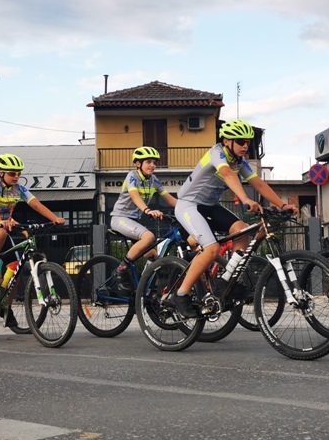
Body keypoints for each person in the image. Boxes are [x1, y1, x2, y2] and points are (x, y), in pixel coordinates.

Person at [171, 119, 296, 318]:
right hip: (189, 205)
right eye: (240, 141)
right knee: (212, 249)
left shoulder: (240, 162)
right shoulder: (217, 153)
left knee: (242, 231)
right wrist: (245, 198)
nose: (245, 146)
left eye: (248, 142)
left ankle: (226, 281)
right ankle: (180, 294)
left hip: (210, 206)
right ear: (227, 141)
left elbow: (258, 184)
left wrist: (282, 205)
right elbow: (227, 174)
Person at [0, 154, 66, 291]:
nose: (16, 176)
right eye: (12, 173)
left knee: (15, 271)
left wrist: (54, 218)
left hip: (1, 227)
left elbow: (36, 204)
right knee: (1, 232)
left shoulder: (19, 188)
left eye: (19, 173)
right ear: (1, 173)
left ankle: (5, 303)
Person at [108, 146, 178, 292]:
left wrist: (188, 208)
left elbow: (170, 199)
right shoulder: (132, 176)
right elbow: (135, 196)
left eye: (154, 162)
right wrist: (147, 210)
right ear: (138, 164)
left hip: (134, 222)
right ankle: (120, 270)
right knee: (149, 237)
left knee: (154, 256)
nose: (152, 165)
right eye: (148, 162)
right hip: (120, 218)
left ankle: (145, 290)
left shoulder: (153, 180)